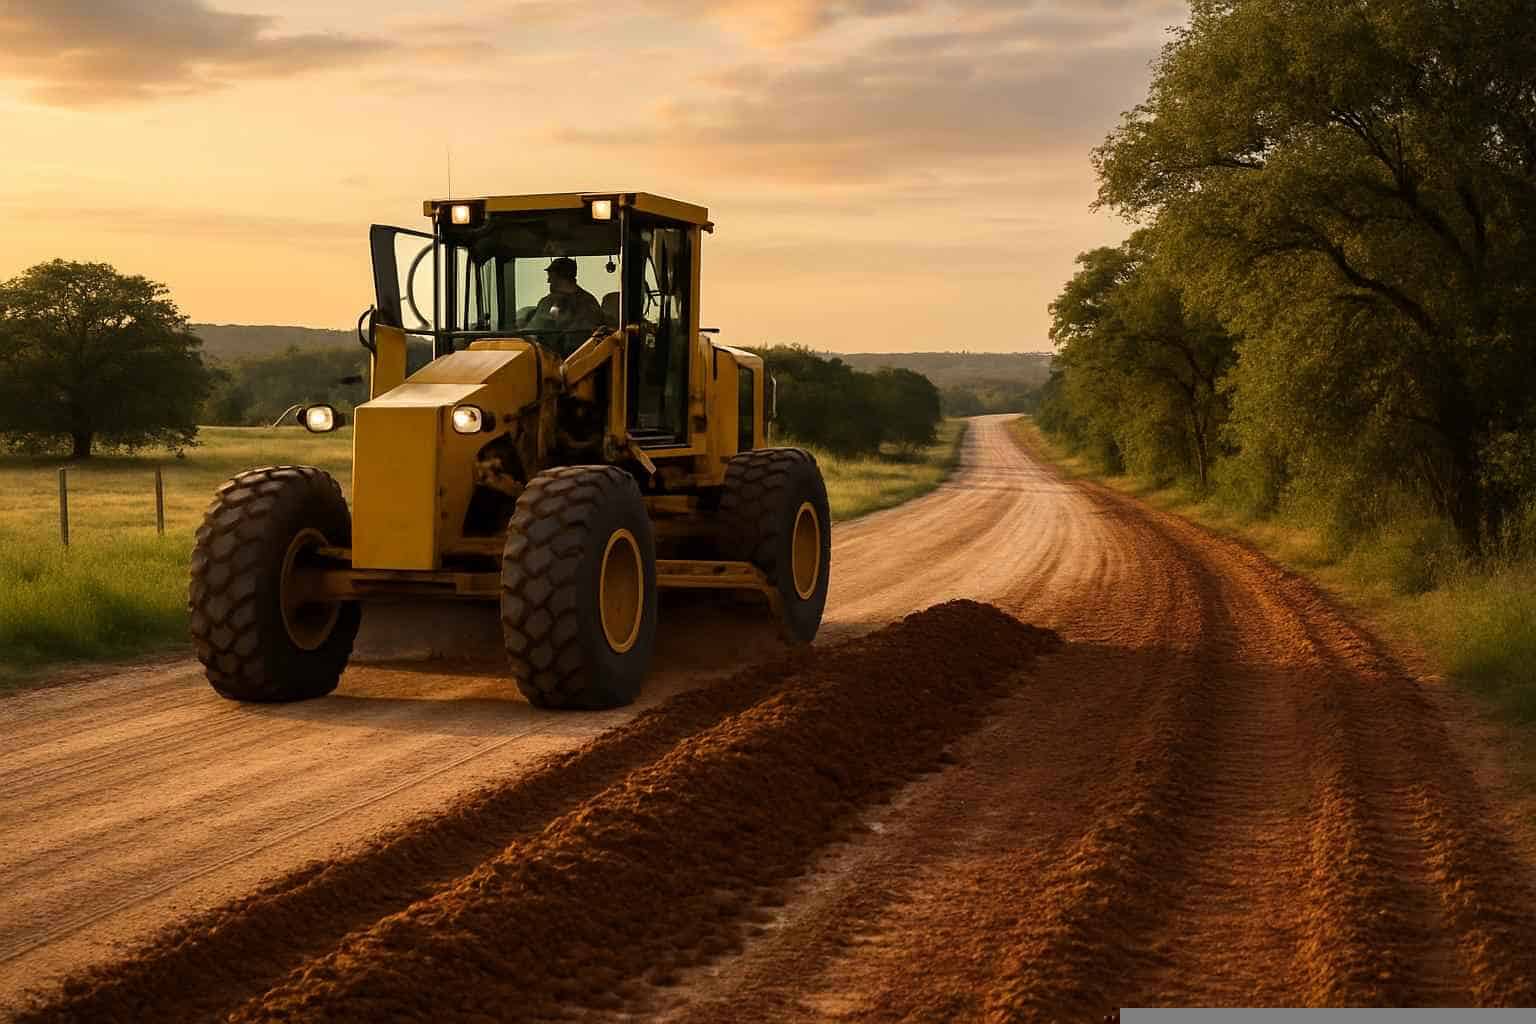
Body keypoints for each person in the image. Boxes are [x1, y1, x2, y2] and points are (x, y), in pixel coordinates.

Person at [522, 257, 606, 352]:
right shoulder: (548, 302)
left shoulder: (587, 304)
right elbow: (534, 330)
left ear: (562, 278)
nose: (548, 281)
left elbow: (586, 340)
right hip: (543, 353)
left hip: (573, 356)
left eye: (552, 277)